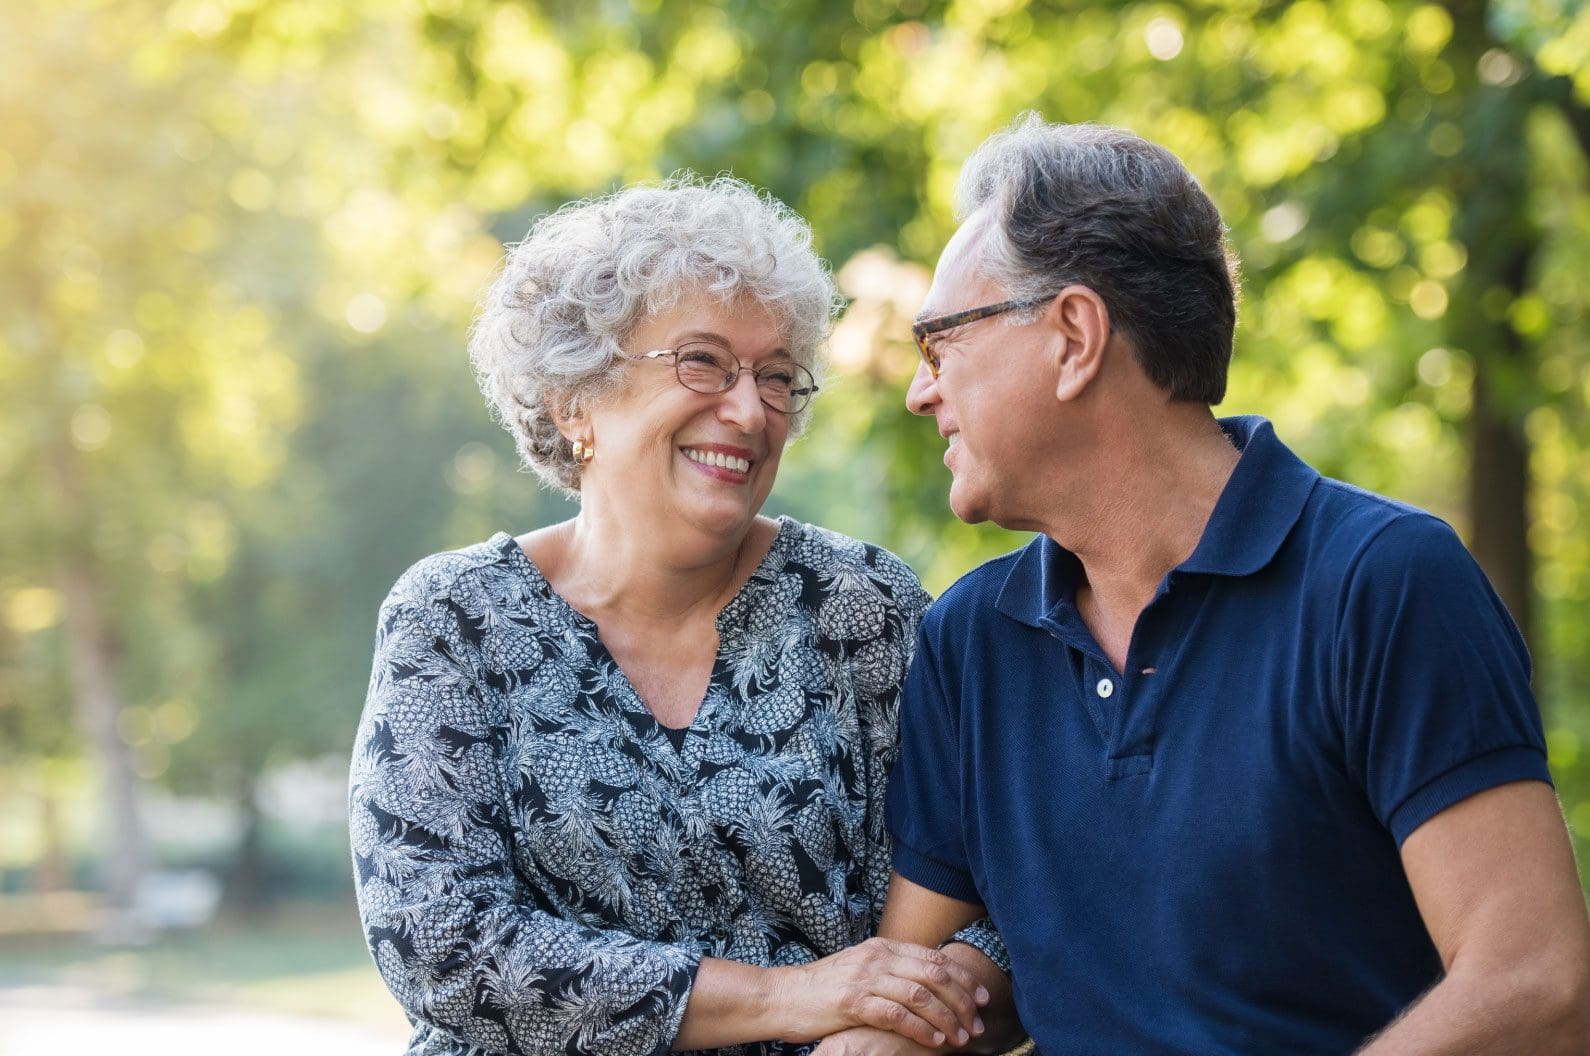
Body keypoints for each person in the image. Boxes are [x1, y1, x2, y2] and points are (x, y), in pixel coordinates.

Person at [878, 115, 1590, 1054]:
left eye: (940, 344)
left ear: (1074, 337)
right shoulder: (972, 643)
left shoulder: (1383, 583)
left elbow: (1537, 985)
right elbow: (921, 987)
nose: (919, 393)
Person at [348, 176, 1012, 1056]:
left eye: (777, 377)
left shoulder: (864, 608)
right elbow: (439, 946)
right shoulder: (453, 621)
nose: (749, 410)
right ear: (574, 399)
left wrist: (908, 1025)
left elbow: (1006, 889)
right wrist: (795, 998)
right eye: (702, 362)